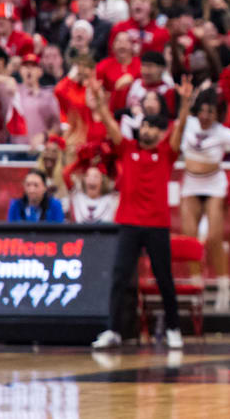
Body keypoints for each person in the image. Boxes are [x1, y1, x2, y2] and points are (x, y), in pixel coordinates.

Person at [88, 76, 194, 352]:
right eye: (144, 126)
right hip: (129, 224)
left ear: (159, 134)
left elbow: (180, 127)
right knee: (119, 277)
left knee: (164, 278)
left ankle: (173, 329)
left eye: (152, 128)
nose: (147, 131)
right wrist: (100, 99)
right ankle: (113, 330)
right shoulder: (127, 148)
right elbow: (109, 122)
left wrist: (184, 103)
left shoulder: (166, 153)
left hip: (156, 225)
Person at [179, 88, 230, 312]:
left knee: (215, 237)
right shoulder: (188, 124)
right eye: (203, 111)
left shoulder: (223, 132)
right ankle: (197, 284)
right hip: (190, 182)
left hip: (214, 184)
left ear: (218, 113)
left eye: (211, 112)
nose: (206, 116)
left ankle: (223, 285)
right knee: (190, 236)